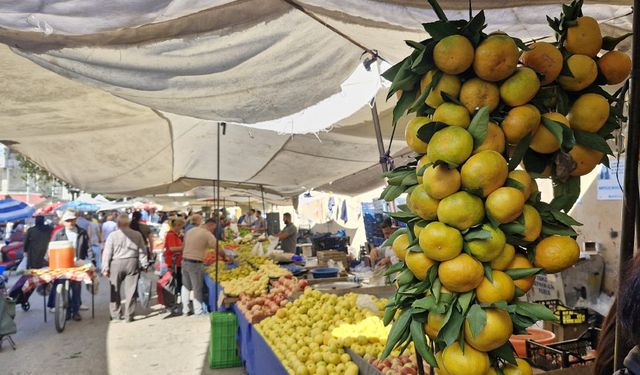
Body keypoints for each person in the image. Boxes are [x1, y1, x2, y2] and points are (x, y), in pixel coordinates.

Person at [102, 214, 149, 322]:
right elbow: (142, 250)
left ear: (118, 224)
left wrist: (105, 268)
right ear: (128, 223)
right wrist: (144, 264)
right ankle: (129, 315)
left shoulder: (113, 236)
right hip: (132, 262)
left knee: (115, 290)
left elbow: (107, 253)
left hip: (116, 263)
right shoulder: (137, 234)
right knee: (131, 290)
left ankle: (116, 315)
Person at [48, 210, 91, 321]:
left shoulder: (82, 232)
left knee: (76, 288)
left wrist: (90, 260)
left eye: (72, 220)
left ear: (75, 220)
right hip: (61, 265)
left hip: (77, 264)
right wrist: (48, 260)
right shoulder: (58, 233)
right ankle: (67, 310)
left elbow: (88, 248)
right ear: (63, 222)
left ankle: (75, 311)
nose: (70, 222)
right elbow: (51, 248)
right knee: (63, 289)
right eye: (68, 220)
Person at [181, 218, 217, 316]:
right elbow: (216, 247)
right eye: (213, 228)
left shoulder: (190, 231)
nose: (213, 230)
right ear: (210, 225)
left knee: (186, 286)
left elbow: (183, 245)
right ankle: (198, 311)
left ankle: (185, 310)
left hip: (184, 260)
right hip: (195, 263)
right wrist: (225, 256)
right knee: (197, 287)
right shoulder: (207, 233)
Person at [164, 217, 185, 314]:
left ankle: (176, 303)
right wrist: (183, 247)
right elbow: (172, 248)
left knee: (177, 283)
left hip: (177, 262)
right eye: (180, 227)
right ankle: (174, 304)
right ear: (176, 226)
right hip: (174, 263)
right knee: (175, 284)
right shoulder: (171, 235)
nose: (181, 229)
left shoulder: (175, 235)